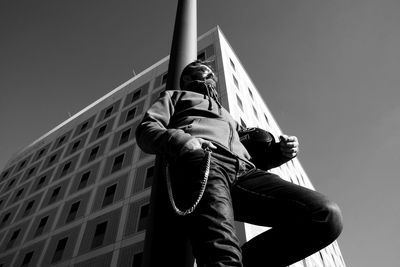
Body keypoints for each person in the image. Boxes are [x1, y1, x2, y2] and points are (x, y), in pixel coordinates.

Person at [135, 60, 343, 267]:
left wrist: (280, 152)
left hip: (244, 172)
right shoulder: (174, 96)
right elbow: (147, 130)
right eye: (203, 72)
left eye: (211, 74)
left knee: (324, 215)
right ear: (187, 78)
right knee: (222, 252)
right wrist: (185, 141)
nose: (210, 76)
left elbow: (253, 154)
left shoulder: (228, 117)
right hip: (204, 161)